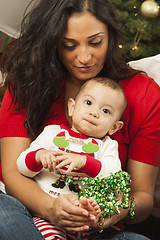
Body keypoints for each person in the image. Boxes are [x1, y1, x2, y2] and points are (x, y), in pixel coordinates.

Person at [0, 0, 159, 239]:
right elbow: (13, 173)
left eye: (95, 42)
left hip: (96, 229)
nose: (84, 57)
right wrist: (52, 210)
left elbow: (143, 198)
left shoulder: (145, 94)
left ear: (111, 36)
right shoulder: (28, 80)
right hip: (29, 212)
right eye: (69, 45)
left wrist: (109, 212)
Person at [16, 77, 126, 239]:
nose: (94, 113)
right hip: (48, 218)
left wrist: (84, 162)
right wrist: (39, 156)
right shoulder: (52, 133)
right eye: (88, 103)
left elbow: (113, 174)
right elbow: (21, 166)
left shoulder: (108, 146)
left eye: (106, 111)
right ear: (72, 107)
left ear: (114, 127)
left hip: (88, 223)